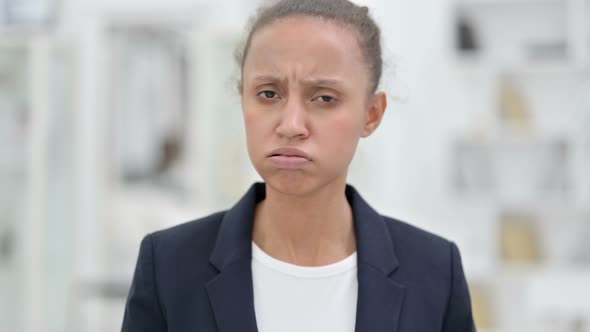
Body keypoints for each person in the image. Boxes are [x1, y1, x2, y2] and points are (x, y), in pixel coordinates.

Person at [121, 0, 476, 331]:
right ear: (242, 97)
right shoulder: (170, 265)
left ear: (371, 114)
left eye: (324, 97)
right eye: (268, 94)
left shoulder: (433, 271)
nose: (290, 124)